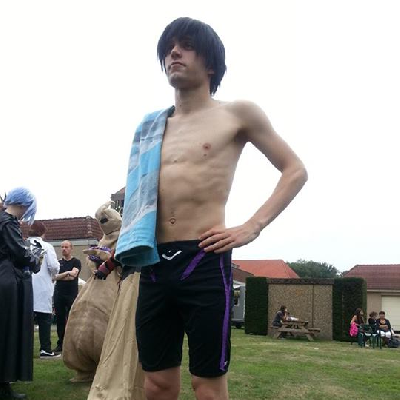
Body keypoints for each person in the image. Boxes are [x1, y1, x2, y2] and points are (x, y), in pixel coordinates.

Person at [117, 17, 307, 400]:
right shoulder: (151, 127)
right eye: (169, 47)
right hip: (153, 263)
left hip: (204, 258)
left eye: (186, 45)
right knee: (155, 384)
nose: (174, 52)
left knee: (207, 387)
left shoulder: (237, 114)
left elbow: (295, 170)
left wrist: (252, 226)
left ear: (211, 64)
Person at [0, 187, 40, 399]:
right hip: (8, 279)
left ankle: (4, 385)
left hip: (4, 276)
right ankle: (3, 386)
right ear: (23, 204)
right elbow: (20, 253)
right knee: (8, 331)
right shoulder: (8, 222)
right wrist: (35, 260)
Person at [28, 221, 60, 359]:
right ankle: (45, 349)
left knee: (26, 321)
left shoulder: (23, 244)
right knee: (45, 319)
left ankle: (24, 349)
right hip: (42, 287)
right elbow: (53, 266)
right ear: (42, 233)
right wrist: (56, 271)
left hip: (26, 286)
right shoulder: (46, 247)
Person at [52, 240, 81, 354]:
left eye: (66, 247)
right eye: (62, 247)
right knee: (60, 319)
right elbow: (54, 277)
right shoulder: (58, 263)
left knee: (72, 319)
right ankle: (61, 343)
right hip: (59, 294)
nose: (64, 249)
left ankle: (72, 344)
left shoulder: (76, 262)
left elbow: (73, 275)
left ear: (71, 248)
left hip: (71, 294)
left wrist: (62, 275)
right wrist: (66, 273)